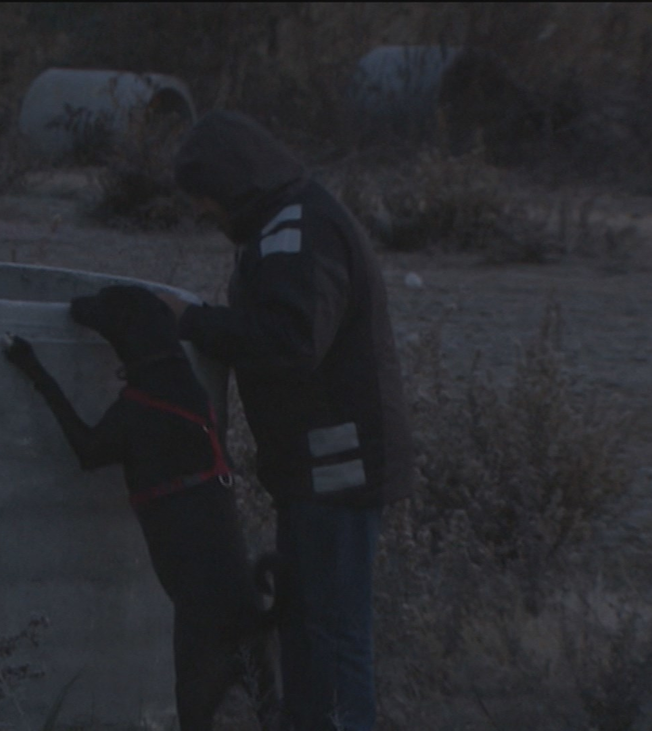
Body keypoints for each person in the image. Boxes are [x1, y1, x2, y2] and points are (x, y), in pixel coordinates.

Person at [159, 110, 414, 731]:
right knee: (313, 624)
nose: (202, 211)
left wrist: (190, 323)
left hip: (338, 471)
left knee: (327, 632)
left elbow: (293, 342)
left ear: (231, 183)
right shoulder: (288, 222)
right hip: (322, 471)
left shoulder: (298, 232)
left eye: (204, 196)